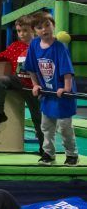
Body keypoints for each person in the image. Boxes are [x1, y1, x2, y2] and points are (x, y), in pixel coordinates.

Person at [0, 15, 45, 154]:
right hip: (18, 82)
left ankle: (44, 148)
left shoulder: (41, 46)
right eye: (18, 31)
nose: (21, 34)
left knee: (38, 118)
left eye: (25, 30)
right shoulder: (15, 46)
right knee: (1, 80)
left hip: (33, 87)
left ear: (33, 30)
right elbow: (4, 54)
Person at [24, 12, 79, 166]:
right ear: (35, 31)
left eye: (47, 25)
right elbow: (31, 68)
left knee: (64, 127)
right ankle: (48, 153)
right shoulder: (34, 45)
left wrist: (66, 88)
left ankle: (72, 154)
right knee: (46, 126)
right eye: (39, 27)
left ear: (53, 26)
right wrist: (35, 84)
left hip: (62, 95)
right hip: (47, 95)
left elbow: (67, 71)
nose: (44, 29)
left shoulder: (59, 47)